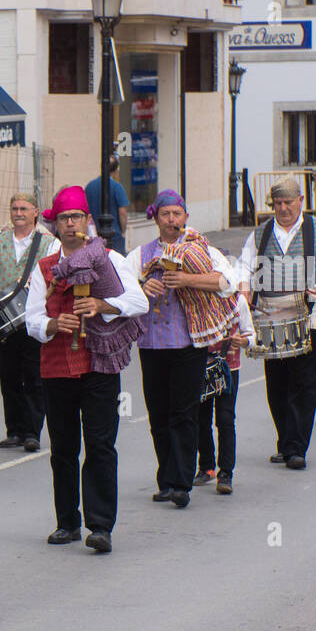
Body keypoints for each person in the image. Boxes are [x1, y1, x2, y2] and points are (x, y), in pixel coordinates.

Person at [24, 186, 148, 554]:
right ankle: (67, 522)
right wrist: (51, 325)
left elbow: (137, 301)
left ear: (88, 221)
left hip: (99, 364)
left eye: (77, 217)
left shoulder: (109, 258)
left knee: (99, 445)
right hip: (57, 366)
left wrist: (101, 303)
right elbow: (30, 319)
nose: (71, 223)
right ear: (55, 224)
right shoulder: (45, 268)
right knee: (62, 448)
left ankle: (100, 526)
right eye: (64, 218)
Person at [124, 190, 238, 507]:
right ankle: (166, 478)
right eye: (166, 214)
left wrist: (187, 280)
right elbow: (122, 290)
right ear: (156, 218)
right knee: (158, 414)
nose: (172, 220)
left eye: (177, 214)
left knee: (184, 413)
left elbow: (226, 281)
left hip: (189, 342)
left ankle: (182, 482)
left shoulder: (202, 250)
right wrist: (142, 287)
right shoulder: (140, 254)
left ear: (186, 217)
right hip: (152, 344)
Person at [237, 177, 316, 470]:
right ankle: (285, 441)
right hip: (269, 317)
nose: (283, 208)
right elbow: (244, 265)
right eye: (278, 204)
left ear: (300, 201)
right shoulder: (260, 234)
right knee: (277, 384)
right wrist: (244, 286)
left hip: (308, 316)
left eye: (288, 202)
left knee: (305, 382)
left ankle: (297, 447)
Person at [0, 193, 54, 452]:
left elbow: (54, 274)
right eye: (14, 208)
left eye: (23, 208)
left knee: (33, 375)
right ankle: (15, 430)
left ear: (35, 212)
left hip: (32, 317)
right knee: (9, 375)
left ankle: (32, 431)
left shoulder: (49, 243)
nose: (18, 212)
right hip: (5, 319)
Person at [197, 295, 255, 496]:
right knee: (200, 418)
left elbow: (250, 334)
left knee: (225, 418)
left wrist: (244, 340)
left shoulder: (238, 301)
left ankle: (226, 473)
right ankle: (206, 466)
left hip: (229, 368)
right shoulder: (197, 298)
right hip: (200, 366)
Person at [85, 157, 130, 255]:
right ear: (115, 171)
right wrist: (123, 232)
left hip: (93, 235)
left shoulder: (89, 187)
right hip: (115, 236)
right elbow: (122, 213)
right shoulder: (117, 187)